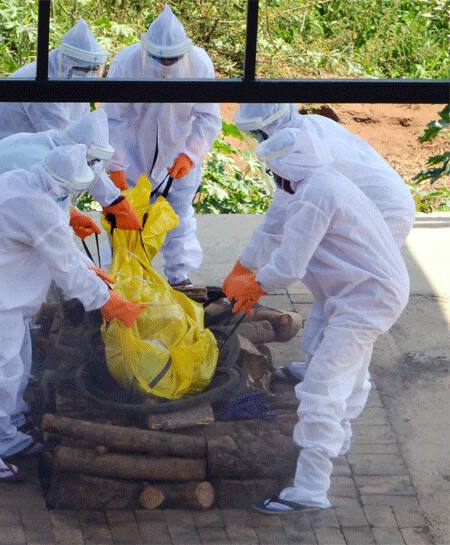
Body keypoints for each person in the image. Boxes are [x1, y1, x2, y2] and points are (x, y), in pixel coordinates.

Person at [222, 129, 409, 514]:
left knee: (321, 387)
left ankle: (310, 488)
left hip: (365, 298)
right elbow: (275, 229)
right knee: (350, 369)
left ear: (285, 169)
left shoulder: (313, 197)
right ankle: (337, 438)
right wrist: (247, 268)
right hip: (365, 290)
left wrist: (254, 286)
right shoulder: (325, 179)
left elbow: (289, 266)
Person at [0, 144, 145, 481]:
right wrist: (109, 301)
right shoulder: (37, 208)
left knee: (14, 366)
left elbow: (54, 239)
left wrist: (87, 260)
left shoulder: (22, 180)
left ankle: (2, 435)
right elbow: (64, 267)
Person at [233, 102, 416, 382]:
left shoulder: (305, 159)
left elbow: (281, 225)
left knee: (345, 294)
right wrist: (244, 266)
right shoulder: (301, 139)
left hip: (383, 210)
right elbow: (282, 217)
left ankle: (333, 371)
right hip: (373, 206)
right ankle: (325, 367)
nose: (256, 142)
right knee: (331, 290)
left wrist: (253, 278)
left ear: (272, 126)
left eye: (258, 134)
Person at [101, 4, 221, 287]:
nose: (166, 64)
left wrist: (190, 154)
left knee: (178, 217)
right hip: (133, 154)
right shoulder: (128, 62)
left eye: (172, 59)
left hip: (177, 156)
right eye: (160, 59)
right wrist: (115, 164)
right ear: (147, 49)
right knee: (126, 219)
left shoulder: (199, 64)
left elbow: (207, 117)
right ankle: (121, 278)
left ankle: (180, 278)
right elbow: (112, 119)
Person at [0, 109, 141, 257]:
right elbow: (58, 252)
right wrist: (93, 284)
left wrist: (69, 214)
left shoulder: (38, 144)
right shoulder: (41, 168)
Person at [0, 19, 108, 175]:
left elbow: (85, 131)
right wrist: (109, 194)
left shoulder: (71, 81)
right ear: (67, 62)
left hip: (14, 162)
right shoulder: (42, 83)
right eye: (82, 69)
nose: (88, 75)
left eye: (94, 69)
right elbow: (67, 144)